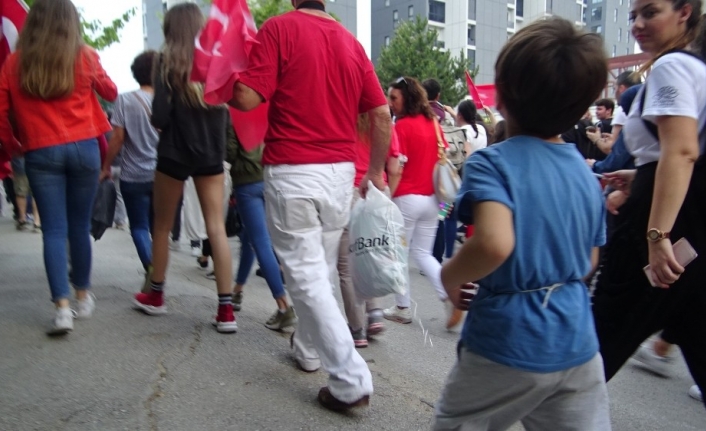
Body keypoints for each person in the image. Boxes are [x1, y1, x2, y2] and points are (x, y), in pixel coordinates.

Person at [433, 18, 610, 430]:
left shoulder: (492, 162)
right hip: (578, 342)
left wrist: (450, 276)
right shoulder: (587, 175)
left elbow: (494, 243)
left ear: (504, 95)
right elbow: (588, 262)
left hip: (507, 341)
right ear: (581, 107)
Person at [228, 0, 390, 411]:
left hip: (294, 169)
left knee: (307, 275)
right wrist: (372, 171)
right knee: (314, 271)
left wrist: (222, 71)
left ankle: (351, 380)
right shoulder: (351, 42)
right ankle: (306, 347)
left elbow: (247, 98)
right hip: (340, 174)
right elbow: (382, 112)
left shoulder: (279, 30)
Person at [592, 0, 706, 409]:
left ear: (685, 12)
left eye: (650, 12)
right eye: (633, 16)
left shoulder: (673, 67)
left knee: (594, 348)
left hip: (663, 225)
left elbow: (681, 152)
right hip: (689, 222)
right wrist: (641, 177)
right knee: (694, 329)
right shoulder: (694, 68)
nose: (639, 24)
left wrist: (657, 235)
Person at [0, 0, 117, 335]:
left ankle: (62, 309)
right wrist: (92, 61)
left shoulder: (14, 63)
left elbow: (0, 113)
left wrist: (13, 146)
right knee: (79, 227)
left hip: (39, 149)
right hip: (84, 148)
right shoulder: (84, 55)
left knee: (52, 230)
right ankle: (83, 296)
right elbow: (109, 91)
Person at [132, 3, 235, 334]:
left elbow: (160, 116)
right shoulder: (216, 59)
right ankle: (226, 312)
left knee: (161, 226)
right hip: (210, 154)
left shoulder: (165, 60)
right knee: (215, 228)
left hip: (174, 153)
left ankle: (156, 295)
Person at [383, 76, 464, 330]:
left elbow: (396, 167)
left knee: (399, 254)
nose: (390, 102)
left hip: (406, 198)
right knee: (423, 253)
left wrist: (386, 199)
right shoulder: (434, 124)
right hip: (433, 200)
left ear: (406, 98)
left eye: (394, 97)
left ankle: (402, 307)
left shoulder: (401, 127)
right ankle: (448, 296)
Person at [224, 123, 297, 330]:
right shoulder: (268, 107)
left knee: (260, 242)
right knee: (250, 237)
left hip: (246, 181)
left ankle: (283, 307)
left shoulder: (236, 114)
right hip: (272, 177)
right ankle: (237, 290)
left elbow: (229, 153)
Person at [337, 114, 401, 348]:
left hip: (350, 191)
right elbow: (394, 167)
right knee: (371, 255)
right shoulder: (385, 123)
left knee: (346, 266)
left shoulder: (343, 118)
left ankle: (357, 330)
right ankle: (374, 311)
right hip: (378, 191)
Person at [101, 50, 159, 278]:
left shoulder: (125, 100)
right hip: (161, 175)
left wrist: (105, 166)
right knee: (159, 229)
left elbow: (117, 139)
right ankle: (158, 271)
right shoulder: (167, 101)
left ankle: (151, 269)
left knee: (139, 227)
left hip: (133, 174)